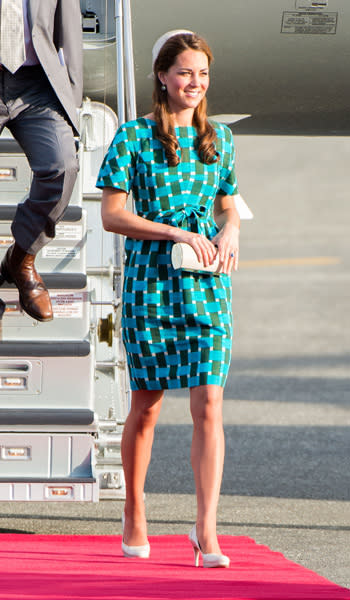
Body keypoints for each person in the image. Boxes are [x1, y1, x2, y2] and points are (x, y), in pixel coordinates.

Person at [97, 30, 240, 568]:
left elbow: (228, 206)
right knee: (148, 406)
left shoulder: (221, 138)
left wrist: (231, 233)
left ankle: (207, 531)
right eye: (185, 73)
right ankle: (135, 512)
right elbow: (112, 215)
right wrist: (174, 233)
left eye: (202, 74)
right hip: (151, 283)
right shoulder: (133, 137)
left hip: (207, 284)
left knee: (210, 402)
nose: (195, 84)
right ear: (162, 76)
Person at [0, 0, 83, 321]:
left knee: (62, 168)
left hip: (37, 85)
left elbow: (70, 33)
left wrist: (71, 99)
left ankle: (21, 258)